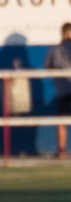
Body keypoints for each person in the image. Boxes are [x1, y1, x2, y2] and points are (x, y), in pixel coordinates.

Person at [42, 22, 71, 157]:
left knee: (61, 120)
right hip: (63, 90)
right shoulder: (55, 50)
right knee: (61, 120)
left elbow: (47, 69)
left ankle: (61, 150)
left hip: (62, 90)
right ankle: (61, 150)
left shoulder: (54, 50)